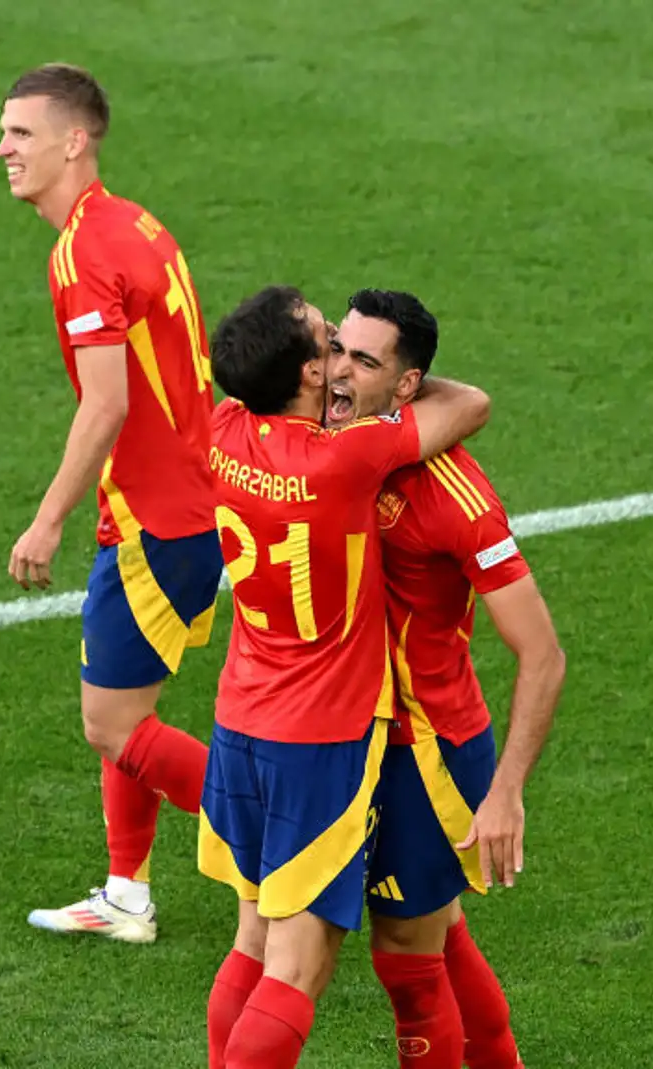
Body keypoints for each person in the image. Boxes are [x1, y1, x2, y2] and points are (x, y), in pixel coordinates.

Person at [196, 285, 491, 1069]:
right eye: (328, 344)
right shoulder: (345, 461)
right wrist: (402, 382)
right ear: (302, 377)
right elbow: (469, 404)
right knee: (299, 967)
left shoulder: (221, 427)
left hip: (236, 724)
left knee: (251, 941)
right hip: (316, 743)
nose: (337, 361)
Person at [0, 62, 219, 942]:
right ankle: (127, 894)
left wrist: (47, 516)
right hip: (181, 506)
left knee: (109, 721)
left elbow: (108, 402)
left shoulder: (84, 251)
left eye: (20, 133)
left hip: (159, 522)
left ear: (73, 141)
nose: (4, 148)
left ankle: (300, 841)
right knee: (128, 708)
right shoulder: (132, 223)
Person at [332, 289, 566, 1069]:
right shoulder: (331, 432)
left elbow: (543, 653)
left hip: (423, 751)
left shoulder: (455, 496)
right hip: (348, 736)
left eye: (364, 361)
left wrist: (506, 790)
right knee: (441, 933)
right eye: (339, 346)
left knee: (407, 957)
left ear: (408, 387)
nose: (337, 372)